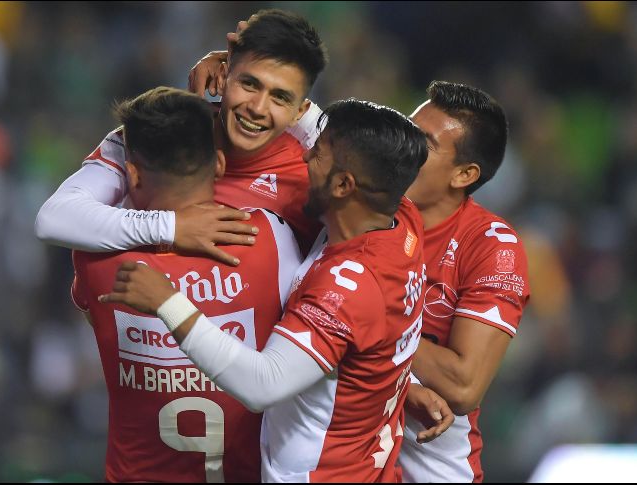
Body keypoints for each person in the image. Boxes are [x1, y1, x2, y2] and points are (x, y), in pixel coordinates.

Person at [99, 99, 450, 482]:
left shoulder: (345, 289)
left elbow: (262, 384)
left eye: (318, 155)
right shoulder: (402, 221)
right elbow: (373, 344)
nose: (303, 159)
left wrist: (167, 302)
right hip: (369, 465)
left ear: (343, 184)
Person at [71, 86, 305, 482]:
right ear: (218, 164)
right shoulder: (271, 239)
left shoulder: (98, 259)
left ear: (131, 174)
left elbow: (92, 311)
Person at [35, 9, 328, 264]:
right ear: (224, 76)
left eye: (280, 97)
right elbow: (54, 219)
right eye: (249, 84)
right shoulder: (159, 132)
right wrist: (173, 227)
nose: (257, 108)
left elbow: (370, 153)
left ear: (299, 110)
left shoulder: (312, 171)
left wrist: (306, 118)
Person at [399, 81, 531, 482]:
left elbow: (463, 385)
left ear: (464, 174)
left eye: (422, 142)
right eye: (405, 130)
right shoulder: (357, 211)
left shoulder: (492, 247)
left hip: (432, 468)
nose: (401, 147)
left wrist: (367, 325)